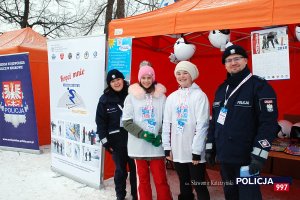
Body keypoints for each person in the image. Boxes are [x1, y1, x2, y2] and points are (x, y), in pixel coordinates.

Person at [205, 44, 279, 200]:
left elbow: (269, 123)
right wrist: (210, 147)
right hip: (225, 156)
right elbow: (214, 121)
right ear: (225, 65)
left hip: (247, 157)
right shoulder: (221, 89)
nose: (233, 63)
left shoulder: (259, 86)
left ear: (245, 60)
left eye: (237, 59)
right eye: (229, 60)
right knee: (230, 195)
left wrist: (259, 154)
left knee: (248, 196)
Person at [122, 64, 172, 200]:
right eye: (143, 77)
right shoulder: (131, 97)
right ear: (139, 79)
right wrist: (143, 134)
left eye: (149, 77)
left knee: (161, 180)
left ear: (153, 78)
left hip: (157, 147)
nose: (146, 80)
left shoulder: (161, 97)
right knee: (143, 181)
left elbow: (166, 119)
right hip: (139, 147)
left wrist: (161, 136)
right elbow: (126, 121)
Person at [162, 61, 210, 200]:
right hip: (177, 150)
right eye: (178, 73)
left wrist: (196, 151)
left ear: (192, 75)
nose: (181, 76)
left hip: (194, 150)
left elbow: (203, 125)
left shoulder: (199, 96)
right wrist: (167, 147)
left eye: (185, 72)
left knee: (199, 183)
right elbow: (166, 124)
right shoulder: (172, 97)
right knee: (184, 183)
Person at [96, 69, 137, 200]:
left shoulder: (133, 95)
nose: (116, 83)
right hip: (116, 141)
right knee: (120, 171)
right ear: (109, 84)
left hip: (134, 139)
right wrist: (105, 142)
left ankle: (137, 194)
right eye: (112, 81)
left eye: (118, 79)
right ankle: (120, 195)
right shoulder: (104, 99)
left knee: (135, 170)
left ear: (122, 80)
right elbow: (100, 122)